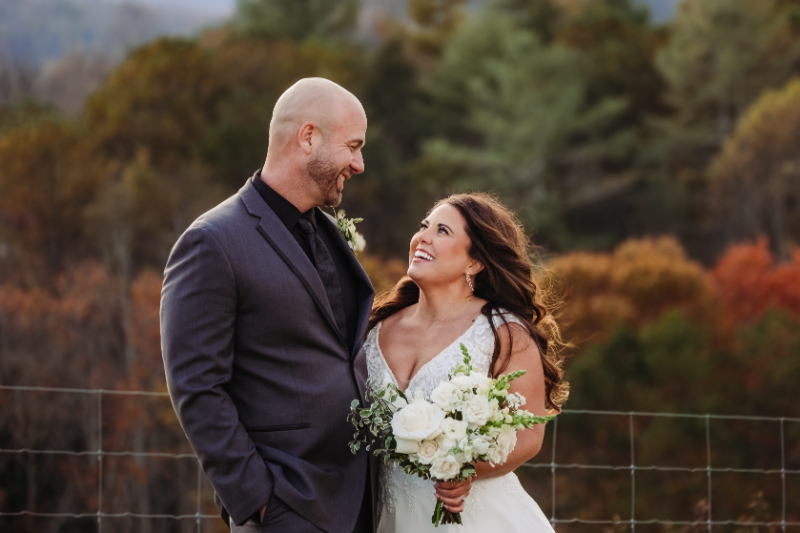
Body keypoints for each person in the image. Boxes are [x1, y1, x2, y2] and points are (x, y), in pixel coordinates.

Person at [161, 77, 391, 533]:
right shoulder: (213, 242)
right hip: (288, 507)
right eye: (353, 146)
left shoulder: (326, 229)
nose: (360, 164)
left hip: (360, 500)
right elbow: (196, 386)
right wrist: (260, 500)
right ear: (308, 138)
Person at [365, 192, 569, 532]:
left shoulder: (503, 332)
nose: (422, 238)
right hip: (390, 515)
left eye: (442, 231)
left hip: (474, 518)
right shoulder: (376, 327)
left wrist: (469, 471)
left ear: (474, 262)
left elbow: (531, 433)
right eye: (424, 226)